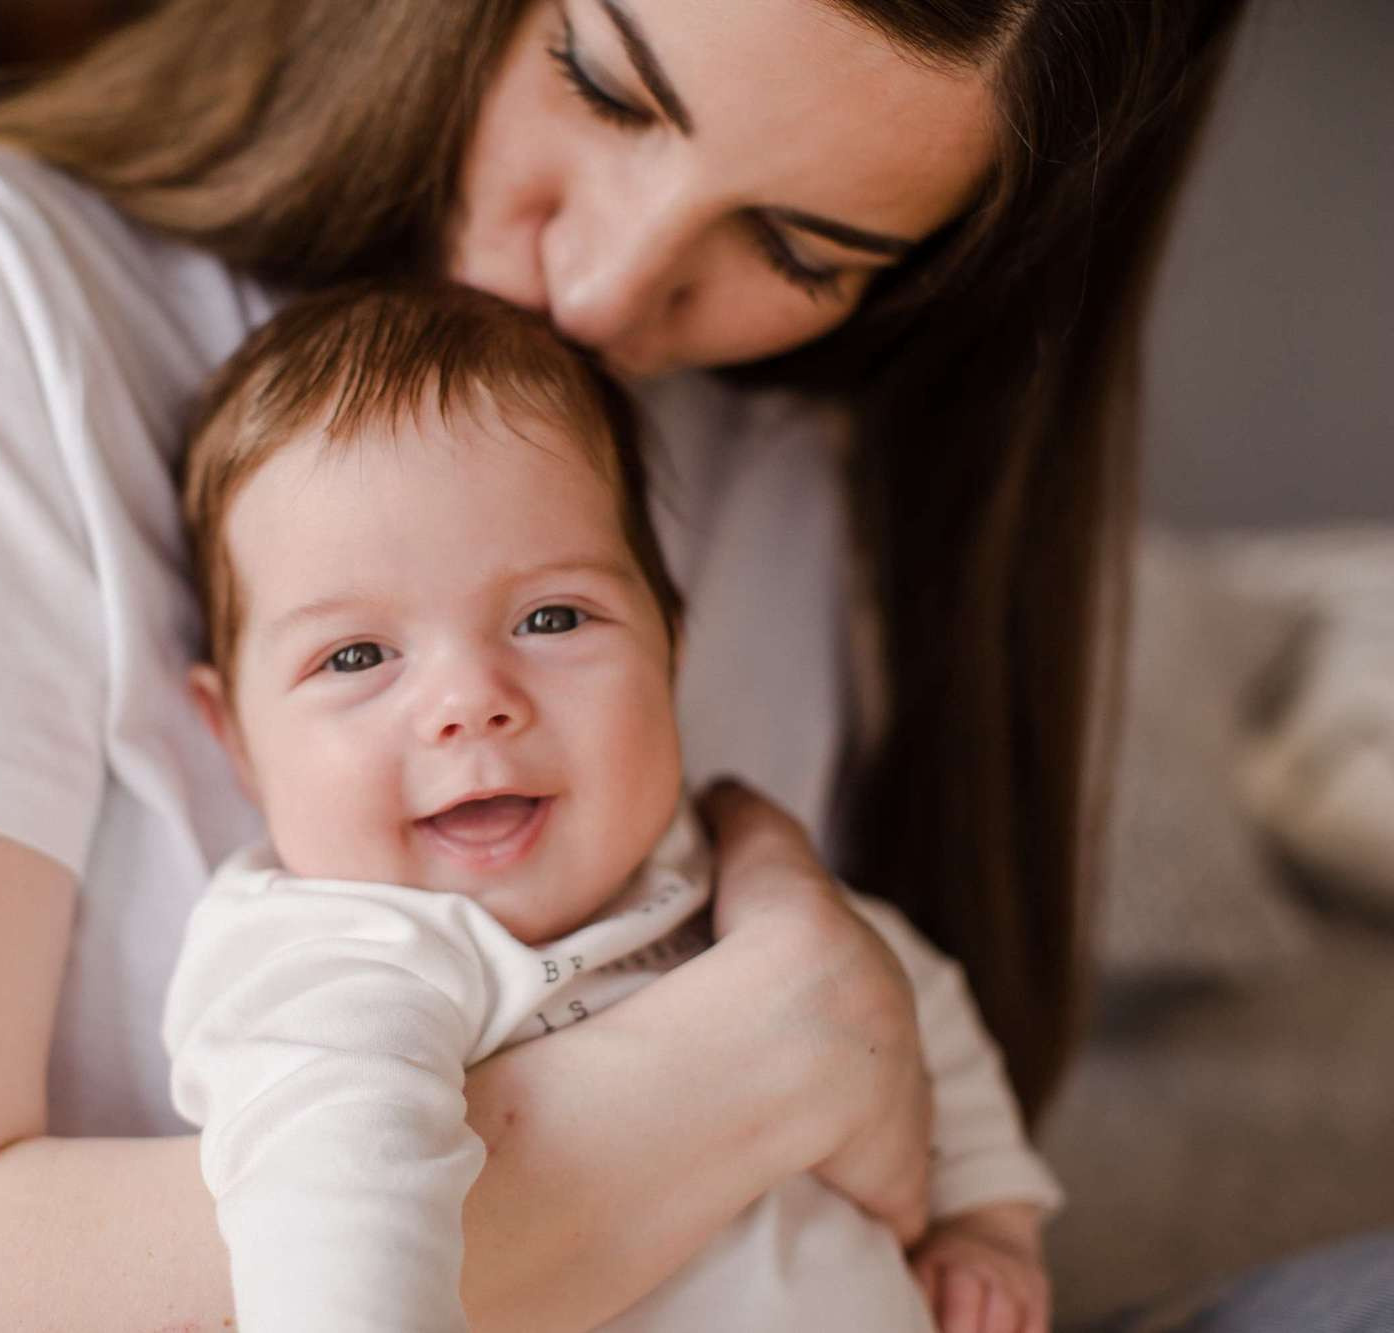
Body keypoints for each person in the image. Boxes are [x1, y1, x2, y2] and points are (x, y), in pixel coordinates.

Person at [0, 0, 1394, 1329]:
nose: (606, 297)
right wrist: (778, 1050)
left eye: (798, 246)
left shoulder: (786, 453)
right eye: (605, 82)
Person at [162, 279, 1063, 1333]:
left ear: (667, 646)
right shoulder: (338, 959)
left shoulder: (716, 876)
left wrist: (987, 1222)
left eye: (551, 616)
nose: (469, 702)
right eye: (355, 655)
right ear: (234, 736)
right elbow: (337, 1208)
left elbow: (912, 1005)